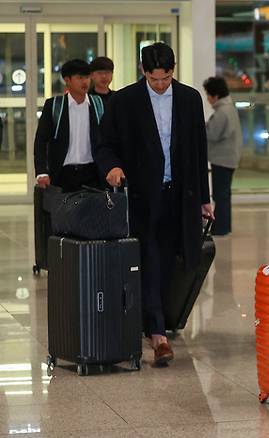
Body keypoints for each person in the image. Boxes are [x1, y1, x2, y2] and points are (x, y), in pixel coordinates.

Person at [93, 42, 213, 366]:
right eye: (154, 79)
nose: (160, 85)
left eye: (166, 78)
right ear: (143, 72)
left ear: (173, 71)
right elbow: (104, 144)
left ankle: (156, 320)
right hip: (145, 197)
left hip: (181, 195)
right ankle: (158, 335)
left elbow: (199, 151)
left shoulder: (189, 99)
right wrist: (112, 168)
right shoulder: (124, 101)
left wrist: (204, 198)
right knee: (151, 259)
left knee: (176, 260)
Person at [34, 59, 104, 192]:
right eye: (80, 78)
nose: (85, 82)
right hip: (62, 174)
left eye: (87, 77)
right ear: (67, 80)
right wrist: (42, 172)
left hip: (93, 174)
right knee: (62, 212)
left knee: (92, 212)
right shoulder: (55, 106)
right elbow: (41, 141)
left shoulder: (98, 105)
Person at [203, 76, 243, 236]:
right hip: (229, 158)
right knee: (224, 194)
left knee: (221, 195)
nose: (207, 98)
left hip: (222, 159)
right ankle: (224, 226)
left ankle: (220, 227)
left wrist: (203, 127)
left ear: (215, 95)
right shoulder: (229, 108)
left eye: (208, 95)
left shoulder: (222, 112)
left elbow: (212, 134)